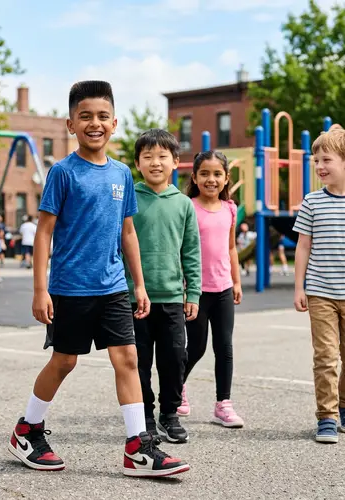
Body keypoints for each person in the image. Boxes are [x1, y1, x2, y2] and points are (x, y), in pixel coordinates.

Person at [8, 81, 189, 478]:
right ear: (70, 123)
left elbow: (128, 233)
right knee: (64, 361)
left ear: (115, 123)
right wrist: (40, 290)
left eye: (103, 116)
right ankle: (27, 429)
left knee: (127, 358)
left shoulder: (123, 174)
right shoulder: (62, 172)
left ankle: (139, 448)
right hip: (70, 288)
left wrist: (138, 284)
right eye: (85, 116)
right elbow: (43, 232)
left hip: (113, 287)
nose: (95, 123)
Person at [126, 129, 201, 444]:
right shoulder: (130, 198)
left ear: (175, 162)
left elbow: (191, 252)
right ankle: (144, 415)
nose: (155, 162)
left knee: (174, 358)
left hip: (172, 297)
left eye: (162, 156)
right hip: (135, 299)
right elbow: (121, 246)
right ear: (137, 163)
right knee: (138, 362)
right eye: (147, 157)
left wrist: (193, 291)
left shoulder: (183, 204)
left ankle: (169, 414)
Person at [178, 151, 244, 428]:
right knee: (196, 347)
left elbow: (230, 248)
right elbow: (180, 249)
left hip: (224, 289)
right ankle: (176, 388)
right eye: (204, 173)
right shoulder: (188, 207)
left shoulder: (230, 208)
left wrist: (236, 280)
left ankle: (223, 404)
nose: (211, 179)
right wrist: (183, 287)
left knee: (225, 347)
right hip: (196, 292)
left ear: (226, 178)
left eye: (217, 174)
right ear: (194, 177)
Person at [293, 128, 345, 443]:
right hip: (321, 292)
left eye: (326, 159)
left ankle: (344, 408)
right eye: (316, 161)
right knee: (325, 355)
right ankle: (326, 416)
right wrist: (299, 287)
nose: (319, 166)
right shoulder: (312, 202)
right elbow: (302, 247)